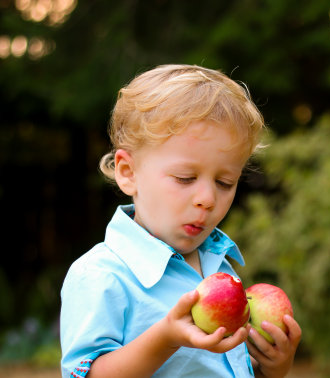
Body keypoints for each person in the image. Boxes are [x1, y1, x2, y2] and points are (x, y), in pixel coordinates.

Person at [60, 64, 301, 378]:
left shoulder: (218, 267)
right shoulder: (101, 276)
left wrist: (271, 367)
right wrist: (165, 339)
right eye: (185, 178)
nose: (208, 198)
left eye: (225, 182)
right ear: (128, 173)